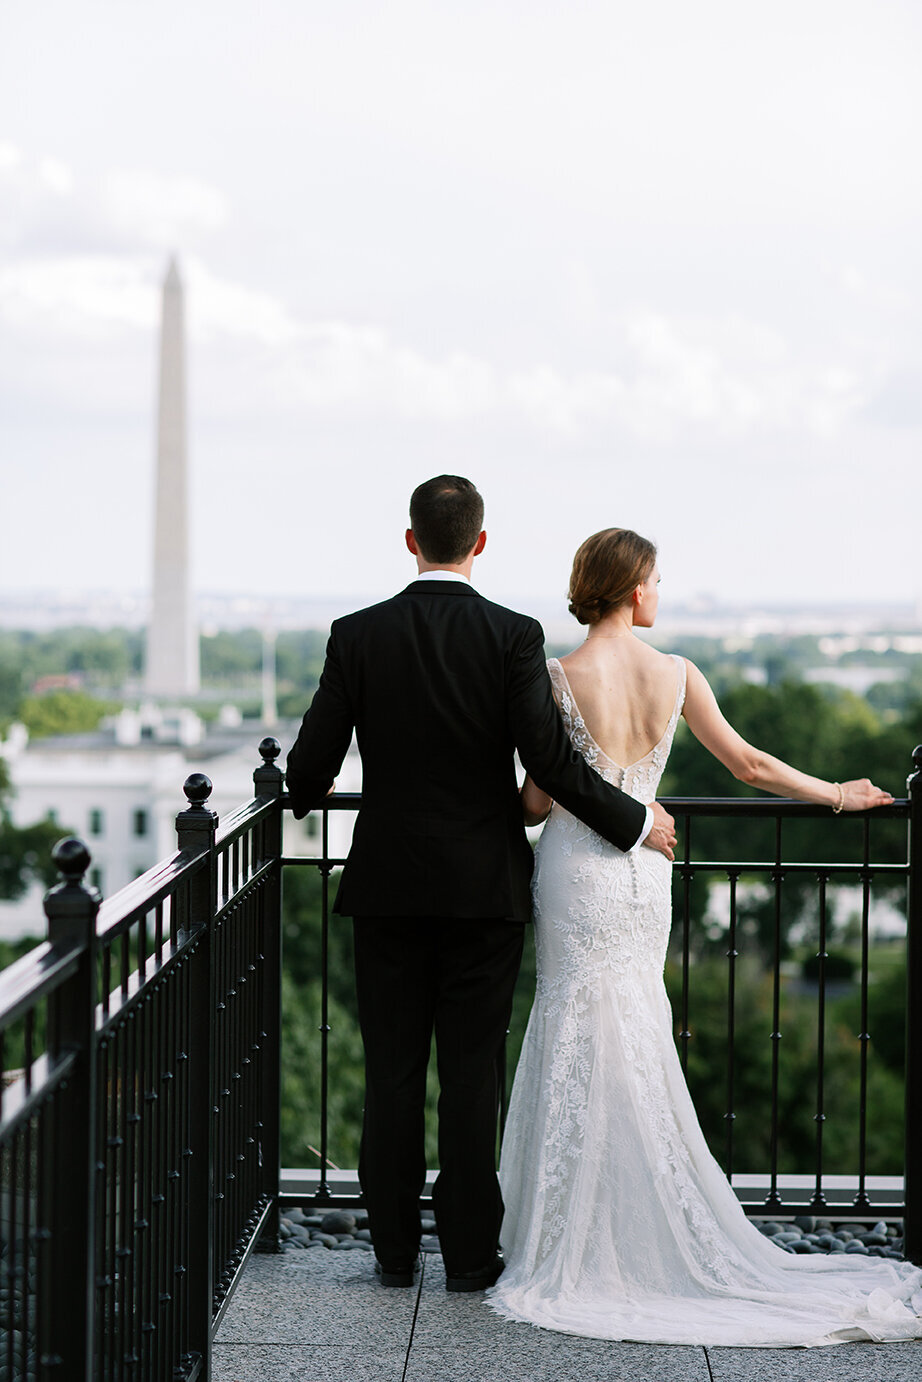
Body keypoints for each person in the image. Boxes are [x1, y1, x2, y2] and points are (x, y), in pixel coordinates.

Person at [488, 526, 922, 1347]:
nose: (662, 591)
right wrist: (836, 795)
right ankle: (641, 1220)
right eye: (655, 578)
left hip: (578, 873)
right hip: (647, 874)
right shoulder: (677, 673)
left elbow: (538, 806)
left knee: (574, 1025)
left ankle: (569, 1230)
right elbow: (751, 767)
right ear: (631, 588)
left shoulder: (554, 679)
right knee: (637, 1028)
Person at [285, 481, 677, 1292]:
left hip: (387, 887)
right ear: (481, 543)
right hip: (484, 888)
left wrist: (303, 780)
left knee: (391, 1073)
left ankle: (393, 1253)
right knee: (471, 1077)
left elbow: (307, 775)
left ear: (410, 541)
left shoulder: (356, 635)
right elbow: (555, 765)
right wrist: (636, 823)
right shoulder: (511, 635)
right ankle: (468, 1256)